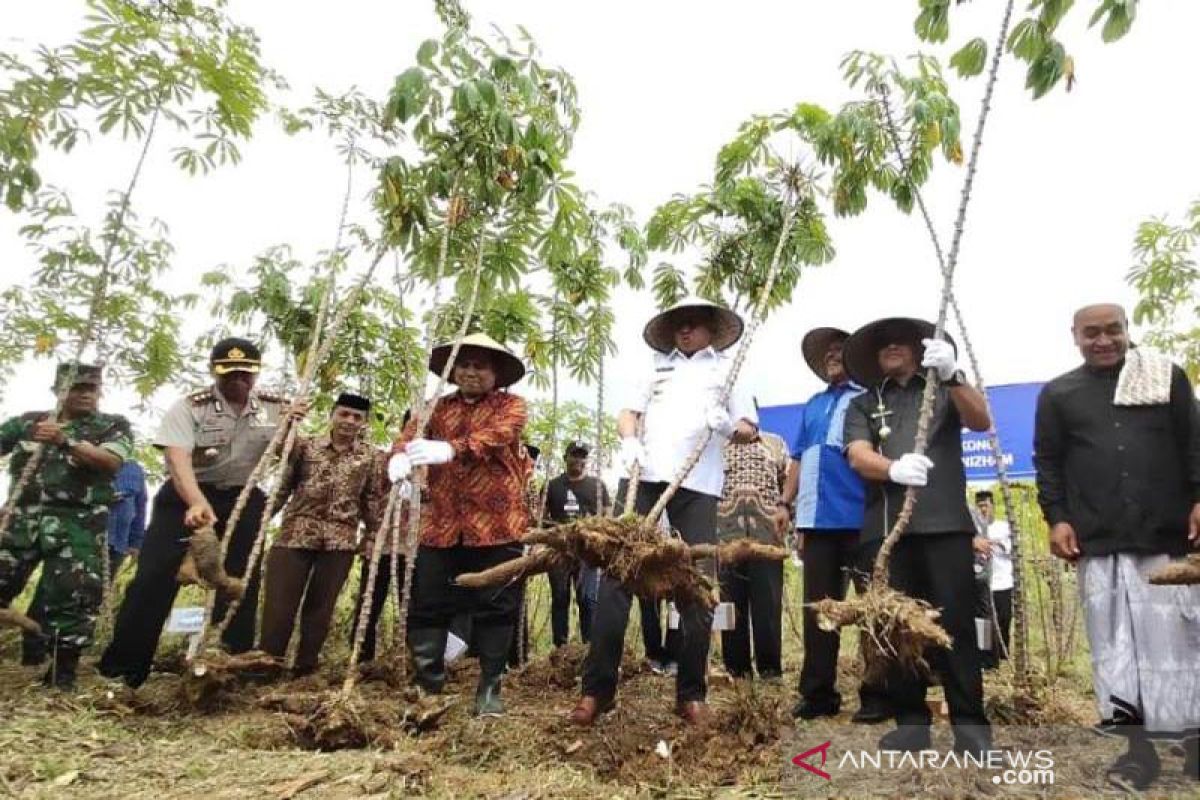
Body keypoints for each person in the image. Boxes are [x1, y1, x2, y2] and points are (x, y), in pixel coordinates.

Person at [1034, 303, 1200, 787]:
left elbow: (1194, 442)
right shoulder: (1059, 393)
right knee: (1117, 649)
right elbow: (1047, 461)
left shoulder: (1163, 377)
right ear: (1075, 337)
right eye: (1092, 333)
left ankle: (1193, 744)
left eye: (1112, 330)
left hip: (1166, 538)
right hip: (1100, 541)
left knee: (1182, 646)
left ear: (1128, 331)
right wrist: (1057, 518)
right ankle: (1136, 753)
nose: (1103, 340)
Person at [571, 297, 758, 727]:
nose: (685, 331)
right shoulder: (655, 366)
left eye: (693, 324)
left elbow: (749, 429)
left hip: (698, 485)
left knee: (697, 585)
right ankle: (596, 692)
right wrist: (630, 440)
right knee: (616, 578)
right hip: (644, 478)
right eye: (679, 325)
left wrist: (728, 426)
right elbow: (628, 414)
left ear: (712, 328)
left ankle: (691, 693)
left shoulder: (729, 369)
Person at [99, 338, 300, 689]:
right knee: (153, 578)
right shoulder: (190, 407)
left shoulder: (277, 408)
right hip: (186, 493)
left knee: (243, 580)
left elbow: (285, 455)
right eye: (230, 373)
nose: (238, 380)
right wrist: (194, 501)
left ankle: (231, 665)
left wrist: (291, 428)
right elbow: (177, 460)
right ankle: (124, 668)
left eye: (245, 373)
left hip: (242, 494)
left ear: (255, 373)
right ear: (214, 371)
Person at [842, 316, 993, 754]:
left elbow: (981, 420)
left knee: (956, 627)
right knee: (897, 629)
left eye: (900, 342)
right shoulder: (865, 403)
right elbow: (857, 455)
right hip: (887, 531)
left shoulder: (944, 389)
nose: (891, 347)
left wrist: (953, 375)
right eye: (882, 344)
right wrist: (891, 468)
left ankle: (970, 727)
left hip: (946, 525)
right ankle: (911, 722)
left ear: (920, 347)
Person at [389, 332, 531, 716]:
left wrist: (453, 448)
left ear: (496, 373)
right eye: (464, 365)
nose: (471, 372)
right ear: (453, 370)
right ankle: (428, 686)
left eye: (480, 366)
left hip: (497, 525)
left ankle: (489, 687)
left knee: (496, 606)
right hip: (441, 524)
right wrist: (399, 460)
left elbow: (498, 437)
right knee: (428, 603)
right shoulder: (435, 408)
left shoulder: (512, 406)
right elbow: (407, 438)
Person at [0, 363, 134, 688]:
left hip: (77, 526)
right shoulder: (28, 422)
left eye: (91, 388)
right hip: (20, 522)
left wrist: (65, 442)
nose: (85, 394)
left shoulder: (111, 426)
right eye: (77, 387)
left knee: (73, 599)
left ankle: (61, 675)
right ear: (58, 390)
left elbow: (111, 462)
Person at [785, 327, 890, 722]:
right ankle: (817, 695)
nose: (832, 356)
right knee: (819, 612)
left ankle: (878, 694)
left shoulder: (870, 400)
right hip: (816, 524)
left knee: (872, 610)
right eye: (827, 352)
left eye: (840, 350)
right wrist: (786, 505)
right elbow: (797, 460)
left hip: (863, 519)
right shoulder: (812, 405)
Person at [258, 393, 388, 677]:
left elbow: (373, 500)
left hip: (340, 540)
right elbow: (282, 480)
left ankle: (305, 669)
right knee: (279, 606)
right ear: (332, 415)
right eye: (344, 414)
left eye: (357, 417)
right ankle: (265, 667)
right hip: (295, 534)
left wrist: (372, 535)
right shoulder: (305, 446)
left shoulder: (371, 457)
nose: (349, 421)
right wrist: (261, 519)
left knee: (321, 608)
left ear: (364, 423)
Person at [22, 455, 148, 666]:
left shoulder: (134, 469)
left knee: (91, 600)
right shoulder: (79, 459)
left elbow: (140, 505)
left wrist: (135, 542)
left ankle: (65, 657)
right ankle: (33, 652)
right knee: (51, 591)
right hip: (76, 539)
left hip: (115, 543)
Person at [715, 425, 789, 680]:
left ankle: (770, 670)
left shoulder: (775, 442)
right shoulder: (718, 444)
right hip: (726, 535)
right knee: (730, 603)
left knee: (767, 603)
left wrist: (788, 518)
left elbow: (787, 483)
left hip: (767, 536)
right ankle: (737, 670)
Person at [544, 441, 610, 646]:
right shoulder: (552, 486)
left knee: (588, 601)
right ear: (565, 458)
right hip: (559, 553)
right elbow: (541, 518)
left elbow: (607, 516)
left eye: (582, 456)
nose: (578, 460)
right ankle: (560, 648)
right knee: (560, 599)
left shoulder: (597, 486)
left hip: (587, 554)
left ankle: (588, 647)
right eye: (574, 455)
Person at [973, 490, 1012, 670]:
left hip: (1001, 581)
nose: (983, 510)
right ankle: (986, 656)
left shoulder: (1003, 527)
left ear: (993, 506)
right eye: (979, 506)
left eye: (986, 506)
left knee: (1003, 618)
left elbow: (1012, 549)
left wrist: (996, 544)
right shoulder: (975, 529)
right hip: (981, 582)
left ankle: (1003, 653)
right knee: (985, 621)